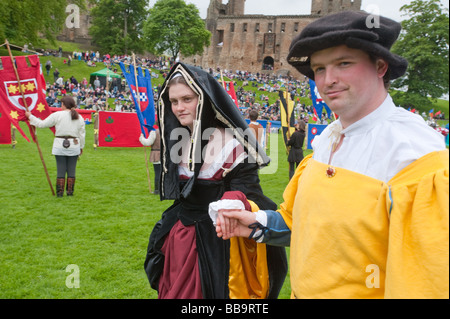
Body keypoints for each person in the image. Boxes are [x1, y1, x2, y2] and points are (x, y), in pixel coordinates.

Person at [214, 11, 449, 299]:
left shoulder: (414, 152)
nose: (328, 80)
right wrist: (258, 223)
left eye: (344, 63)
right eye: (319, 69)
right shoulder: (327, 139)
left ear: (380, 66)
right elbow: (300, 223)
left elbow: (426, 282)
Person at [144, 63, 287, 299]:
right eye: (174, 101)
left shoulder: (232, 143)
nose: (179, 107)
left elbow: (249, 191)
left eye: (187, 99)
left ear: (204, 99)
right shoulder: (179, 139)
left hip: (217, 241)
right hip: (180, 236)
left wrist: (233, 199)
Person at [25, 96, 85, 197]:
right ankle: (70, 193)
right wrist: (81, 147)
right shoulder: (79, 117)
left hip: (60, 145)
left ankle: (60, 193)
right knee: (72, 169)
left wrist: (30, 116)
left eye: (61, 104)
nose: (60, 105)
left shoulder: (57, 115)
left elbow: (42, 124)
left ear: (64, 104)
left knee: (61, 169)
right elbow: (82, 135)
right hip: (74, 145)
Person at [139, 127, 161, 195]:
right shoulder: (168, 130)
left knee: (158, 173)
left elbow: (147, 142)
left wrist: (141, 138)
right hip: (166, 155)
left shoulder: (154, 132)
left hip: (157, 155)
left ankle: (157, 190)